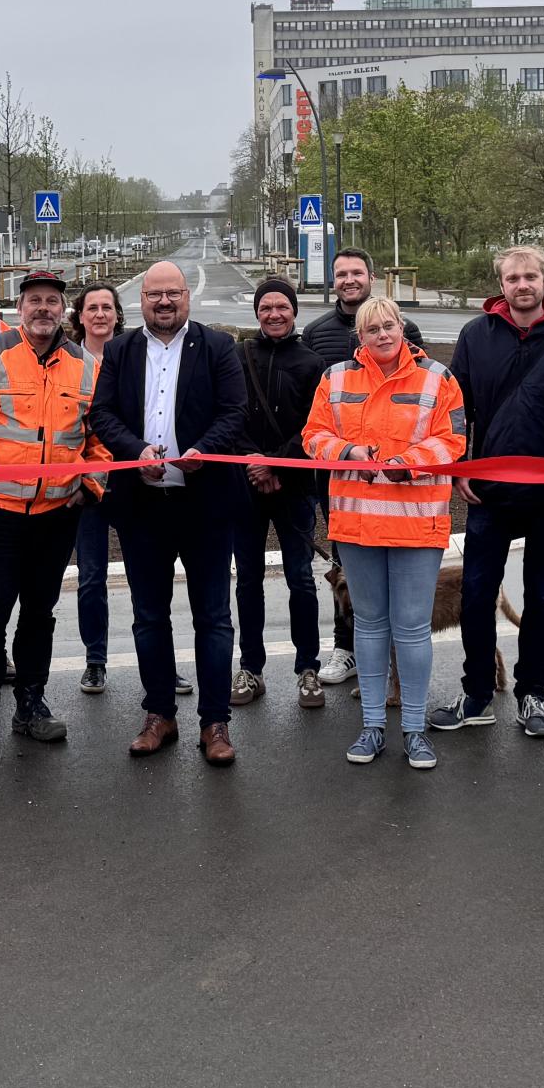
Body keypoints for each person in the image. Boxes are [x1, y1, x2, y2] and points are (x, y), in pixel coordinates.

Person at [431, 244, 544, 740]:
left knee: (543, 599)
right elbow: (456, 409)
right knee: (477, 596)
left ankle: (532, 695)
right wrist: (457, 468)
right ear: (500, 284)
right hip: (489, 492)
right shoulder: (476, 335)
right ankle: (477, 694)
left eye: (530, 276)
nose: (521, 285)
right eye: (512, 278)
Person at [0, 268, 102, 758]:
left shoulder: (85, 366)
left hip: (56, 513)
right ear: (20, 308)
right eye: (35, 300)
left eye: (53, 301)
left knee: (39, 613)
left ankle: (31, 704)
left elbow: (100, 441)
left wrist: (89, 485)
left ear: (63, 310)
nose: (43, 309)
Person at [302, 294, 467, 772]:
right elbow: (313, 435)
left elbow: (453, 439)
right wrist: (351, 452)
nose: (382, 335)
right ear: (360, 337)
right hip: (357, 523)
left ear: (402, 328)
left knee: (412, 629)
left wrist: (407, 463)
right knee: (370, 627)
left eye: (389, 325)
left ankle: (414, 730)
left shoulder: (438, 378)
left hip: (416, 522)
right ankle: (373, 724)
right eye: (371, 329)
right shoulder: (335, 378)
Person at [93, 262, 250, 763]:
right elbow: (102, 414)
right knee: (147, 617)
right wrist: (135, 452)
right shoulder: (120, 351)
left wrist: (202, 450)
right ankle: (159, 713)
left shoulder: (219, 347)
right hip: (143, 508)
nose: (164, 302)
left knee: (214, 618)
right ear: (140, 300)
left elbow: (234, 412)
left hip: (204, 504)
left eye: (173, 294)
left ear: (187, 297)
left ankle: (215, 723)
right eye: (155, 294)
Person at [300, 247, 422, 686]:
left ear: (371, 276)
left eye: (356, 272)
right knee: (344, 572)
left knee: (394, 576)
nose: (349, 280)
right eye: (341, 274)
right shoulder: (314, 334)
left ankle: (389, 659)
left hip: (398, 484)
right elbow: (312, 415)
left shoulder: (406, 331)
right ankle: (345, 647)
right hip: (341, 483)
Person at [235, 276, 329, 709]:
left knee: (301, 579)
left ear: (294, 312)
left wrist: (275, 462)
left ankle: (307, 667)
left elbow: (315, 427)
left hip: (294, 488)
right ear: (257, 313)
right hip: (247, 486)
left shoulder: (312, 363)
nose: (274, 314)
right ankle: (251, 668)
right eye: (266, 307)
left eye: (282, 307)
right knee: (248, 580)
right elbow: (230, 415)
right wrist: (255, 463)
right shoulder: (240, 357)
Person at [70, 284, 125, 695]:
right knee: (91, 578)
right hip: (86, 487)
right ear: (80, 316)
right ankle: (95, 660)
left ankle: (159, 662)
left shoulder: (135, 357)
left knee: (148, 577)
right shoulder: (68, 361)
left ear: (117, 315)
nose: (101, 314)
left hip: (130, 482)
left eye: (108, 307)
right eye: (93, 308)